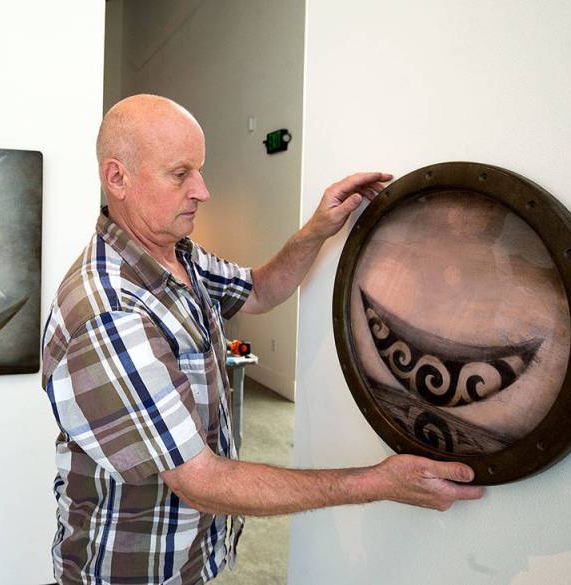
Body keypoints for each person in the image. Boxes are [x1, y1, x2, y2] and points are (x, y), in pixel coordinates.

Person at [40, 94, 483, 585]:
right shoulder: (108, 312)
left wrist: (318, 229)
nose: (202, 191)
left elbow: (259, 289)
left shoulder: (178, 255)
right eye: (180, 174)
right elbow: (200, 481)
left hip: (190, 558)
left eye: (200, 170)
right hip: (131, 571)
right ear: (118, 178)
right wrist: (378, 482)